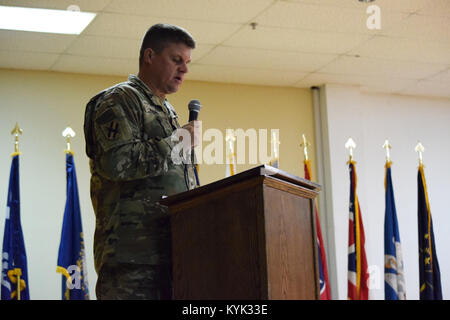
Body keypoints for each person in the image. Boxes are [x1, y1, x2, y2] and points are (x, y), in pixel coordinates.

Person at [83, 23, 199, 300]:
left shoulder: (166, 110)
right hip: (132, 257)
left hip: (173, 253)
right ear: (149, 56)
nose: (184, 69)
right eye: (176, 60)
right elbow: (118, 163)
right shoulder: (118, 100)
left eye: (187, 62)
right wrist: (177, 142)